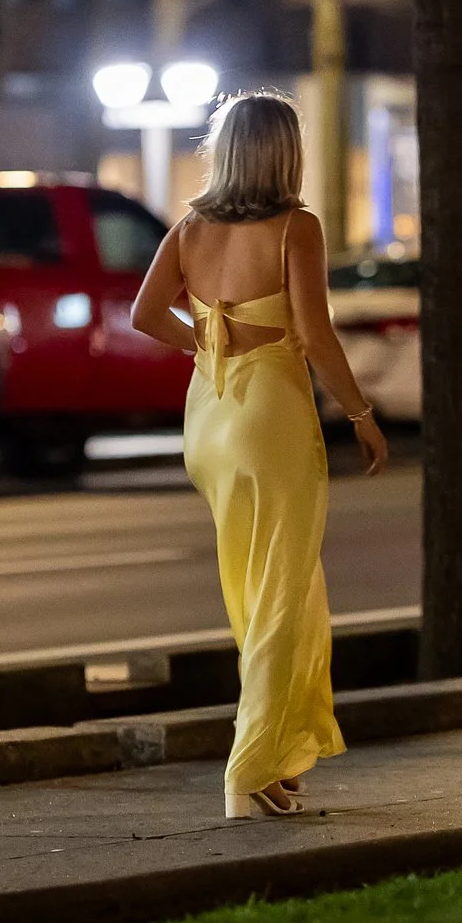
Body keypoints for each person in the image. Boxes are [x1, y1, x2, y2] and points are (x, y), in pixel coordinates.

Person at [132, 92, 385, 819]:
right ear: (285, 153)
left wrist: (208, 341)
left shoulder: (190, 228)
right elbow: (317, 333)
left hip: (209, 419)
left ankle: (276, 751)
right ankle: (247, 769)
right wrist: (361, 414)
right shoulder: (296, 227)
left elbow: (146, 313)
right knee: (283, 593)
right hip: (271, 419)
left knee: (262, 592)